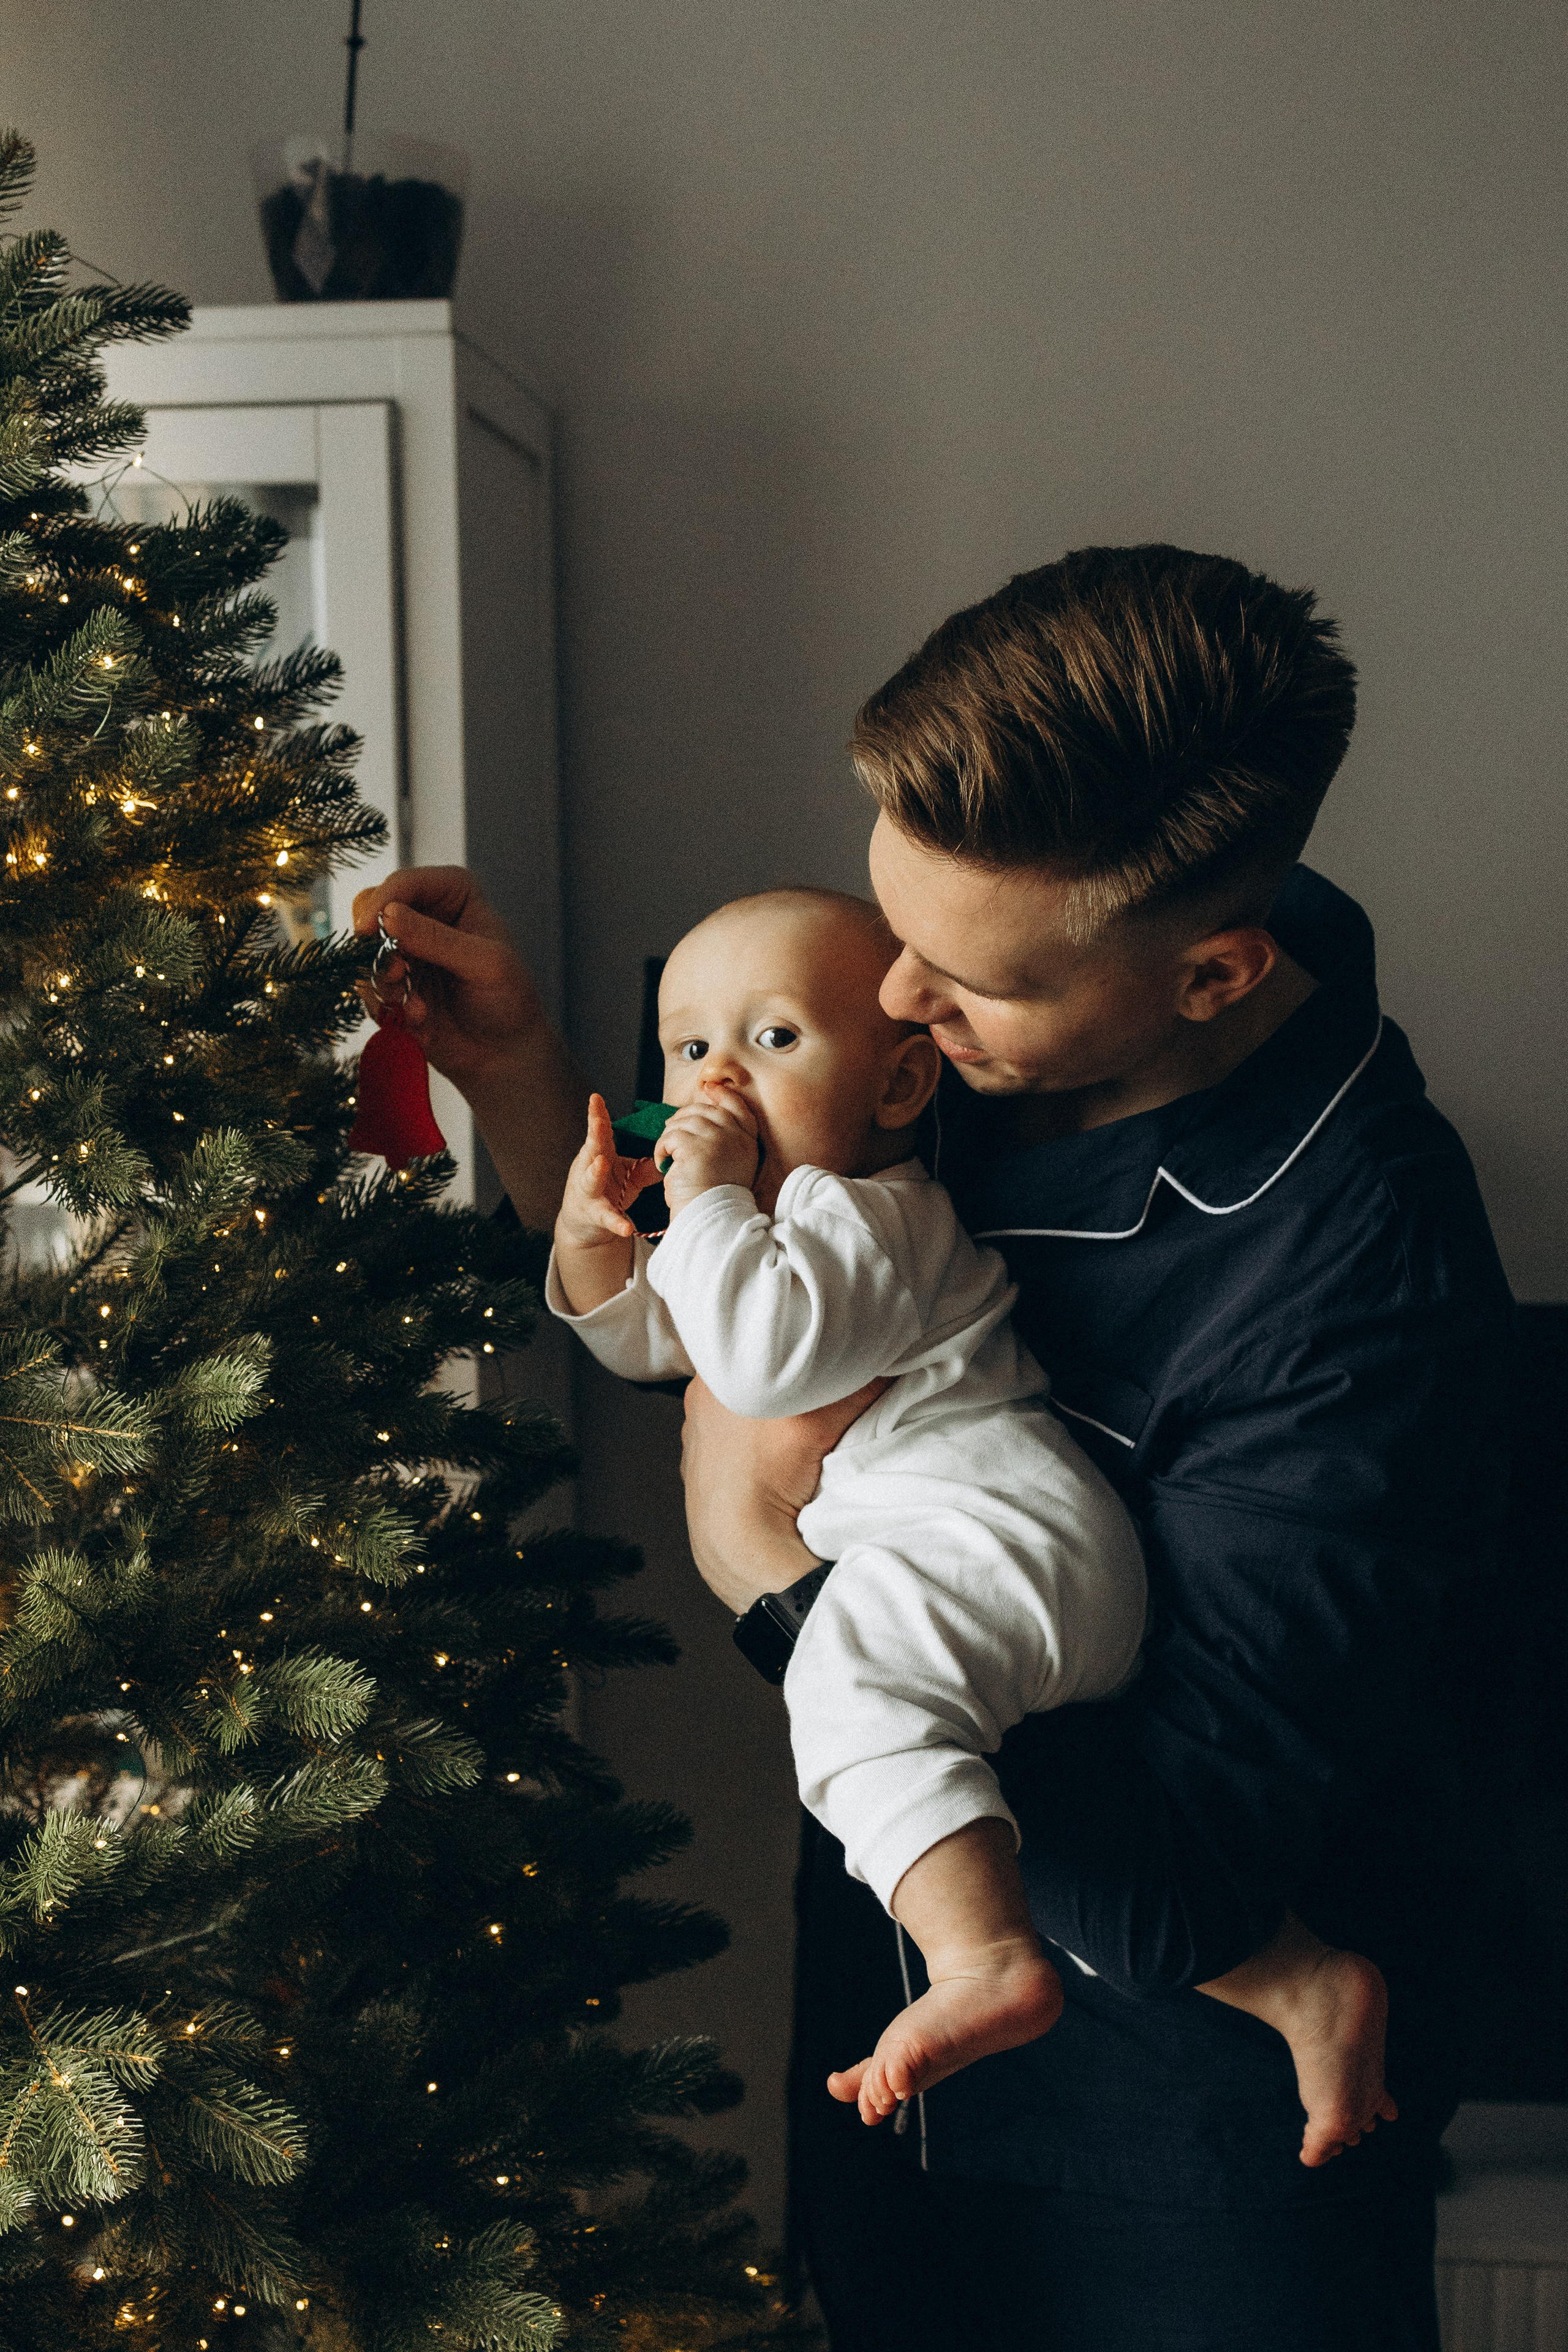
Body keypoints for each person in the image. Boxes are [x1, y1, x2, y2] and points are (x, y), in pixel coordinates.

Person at [352, 543, 1513, 2351]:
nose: (896, 1012)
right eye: (896, 940)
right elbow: (753, 1353)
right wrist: (524, 1076)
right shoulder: (989, 1032)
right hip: (892, 2079)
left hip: (1190, 2164)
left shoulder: (1358, 1282)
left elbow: (1193, 1852)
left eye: (959, 986)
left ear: (1215, 976)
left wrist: (771, 1585)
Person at [546, 883, 1396, 2166]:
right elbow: (666, 1340)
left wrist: (709, 1204)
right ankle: (1284, 1976)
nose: (716, 1079)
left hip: (994, 1542)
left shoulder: (863, 1215)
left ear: (895, 1088)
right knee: (958, 1762)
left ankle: (980, 1958)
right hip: (978, 1563)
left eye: (772, 1040)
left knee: (843, 1679)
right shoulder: (765, 1222)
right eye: (687, 1046)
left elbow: (761, 1369)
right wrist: (593, 1250)